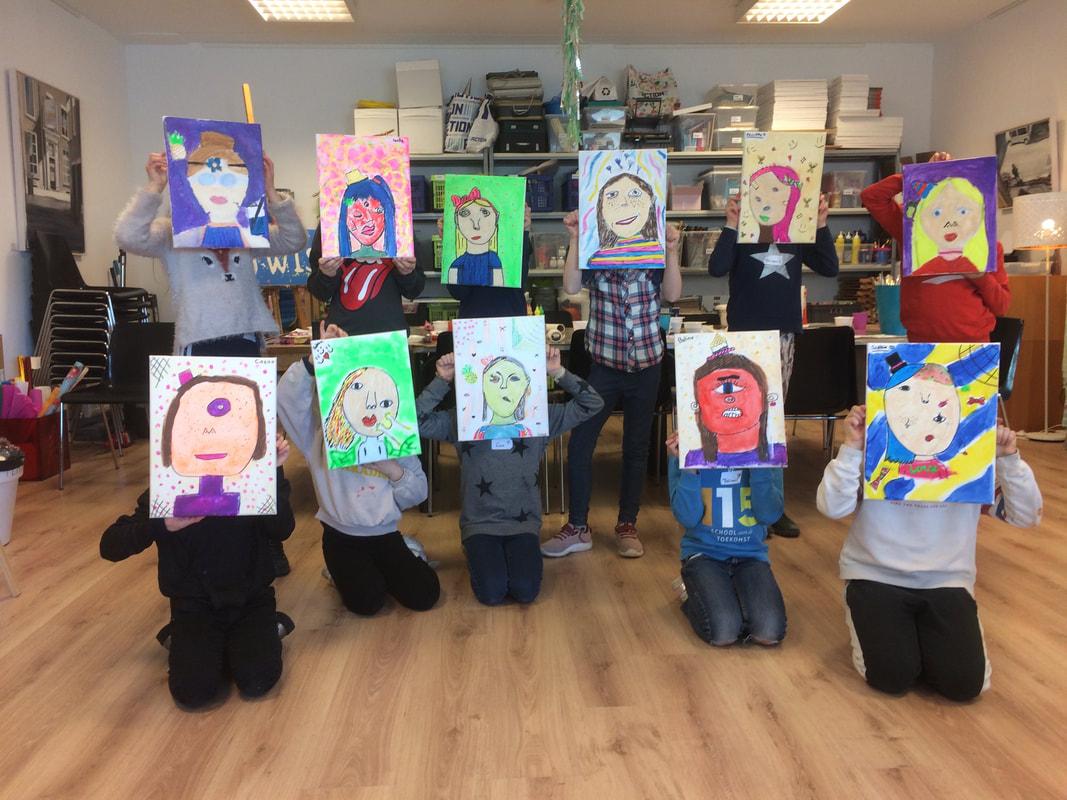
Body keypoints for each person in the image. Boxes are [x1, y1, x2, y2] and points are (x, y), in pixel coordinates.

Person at [816, 405, 1042, 701]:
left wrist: (1008, 459)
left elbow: (1026, 515)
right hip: (875, 576)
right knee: (891, 676)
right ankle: (877, 620)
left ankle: (914, 638)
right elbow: (832, 507)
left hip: (946, 580)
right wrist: (852, 448)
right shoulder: (877, 446)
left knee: (963, 684)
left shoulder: (974, 457)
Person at [100, 434, 296, 709]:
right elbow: (110, 545)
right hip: (194, 605)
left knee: (258, 681)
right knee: (194, 693)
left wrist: (271, 473)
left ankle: (257, 633)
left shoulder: (249, 479)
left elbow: (283, 528)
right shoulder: (170, 488)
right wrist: (162, 525)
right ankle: (198, 641)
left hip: (250, 600)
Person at [541, 208, 682, 559]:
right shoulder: (597, 248)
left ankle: (627, 523)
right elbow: (571, 286)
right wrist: (576, 238)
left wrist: (672, 249)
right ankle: (578, 525)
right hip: (605, 367)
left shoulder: (651, 250)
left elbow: (673, 294)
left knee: (636, 447)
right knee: (580, 443)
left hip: (647, 366)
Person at [417, 348, 603, 605]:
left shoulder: (540, 418)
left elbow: (593, 403)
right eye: (494, 379)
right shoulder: (463, 419)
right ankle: (477, 552)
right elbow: (414, 422)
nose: (503, 387)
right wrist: (442, 380)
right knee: (492, 593)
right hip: (480, 524)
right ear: (482, 386)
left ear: (527, 386)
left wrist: (557, 372)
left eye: (513, 378)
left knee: (525, 591)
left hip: (523, 524)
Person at [277, 323, 439, 616]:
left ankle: (405, 551)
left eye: (383, 401)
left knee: (425, 595)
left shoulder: (395, 439)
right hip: (341, 538)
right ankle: (339, 571)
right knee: (367, 603)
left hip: (385, 534)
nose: (371, 407)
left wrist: (393, 470)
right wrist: (313, 362)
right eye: (358, 392)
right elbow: (287, 401)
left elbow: (418, 492)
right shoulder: (318, 439)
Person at [707, 192, 839, 537]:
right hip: (744, 338)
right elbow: (716, 267)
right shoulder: (743, 231)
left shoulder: (795, 230)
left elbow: (829, 266)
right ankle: (744, 502)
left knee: (772, 425)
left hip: (781, 336)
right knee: (742, 420)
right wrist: (731, 225)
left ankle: (772, 506)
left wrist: (820, 224)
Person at [115, 152, 308, 357]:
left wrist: (270, 190)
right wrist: (155, 186)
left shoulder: (244, 231)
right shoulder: (172, 233)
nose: (216, 189)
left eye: (228, 181)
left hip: (246, 338)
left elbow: (294, 239)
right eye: (205, 180)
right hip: (197, 341)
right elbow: (128, 236)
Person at [860, 152, 1011, 343]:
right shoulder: (911, 233)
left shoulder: (989, 247)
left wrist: (980, 276)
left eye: (961, 210)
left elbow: (1001, 306)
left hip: (973, 345)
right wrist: (921, 174)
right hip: (921, 343)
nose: (949, 221)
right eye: (938, 211)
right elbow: (871, 197)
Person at [666, 431, 786, 646]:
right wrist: (689, 468)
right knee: (723, 632)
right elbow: (687, 518)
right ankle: (692, 592)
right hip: (704, 554)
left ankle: (728, 595)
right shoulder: (688, 448)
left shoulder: (770, 450)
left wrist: (760, 465)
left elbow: (769, 515)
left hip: (750, 556)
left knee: (769, 632)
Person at [306, 223, 423, 336]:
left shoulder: (399, 221)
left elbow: (415, 289)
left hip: (391, 336)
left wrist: (407, 274)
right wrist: (326, 274)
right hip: (341, 335)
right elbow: (319, 292)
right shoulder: (331, 221)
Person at [446, 206, 533, 319]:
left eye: (485, 213)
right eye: (466, 214)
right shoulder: (459, 262)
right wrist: (448, 245)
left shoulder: (498, 258)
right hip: (474, 321)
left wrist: (523, 231)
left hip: (509, 318)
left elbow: (517, 281)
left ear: (496, 219)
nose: (476, 224)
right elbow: (458, 293)